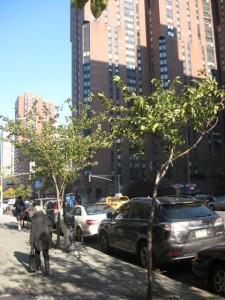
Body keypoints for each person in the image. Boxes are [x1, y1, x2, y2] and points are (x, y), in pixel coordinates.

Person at [30, 205, 52, 276]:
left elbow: (33, 231)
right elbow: (50, 229)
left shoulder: (33, 218)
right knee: (46, 254)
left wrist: (31, 242)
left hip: (37, 238)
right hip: (46, 238)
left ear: (35, 210)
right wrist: (50, 237)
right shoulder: (46, 217)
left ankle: (38, 266)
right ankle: (47, 270)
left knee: (37, 253)